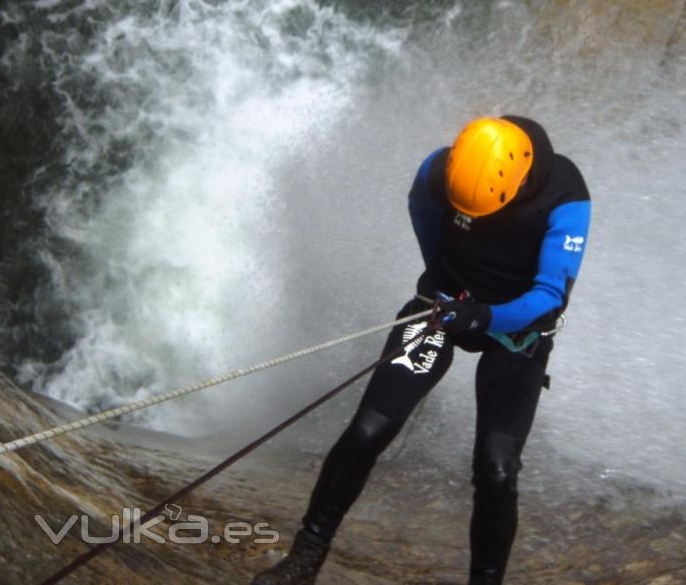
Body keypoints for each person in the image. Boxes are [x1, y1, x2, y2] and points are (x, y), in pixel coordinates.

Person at [252, 115, 592, 585]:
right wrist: (450, 294)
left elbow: (551, 294)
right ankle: (306, 555)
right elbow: (430, 235)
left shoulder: (565, 198)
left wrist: (487, 316)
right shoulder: (438, 173)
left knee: (495, 469)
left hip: (518, 331)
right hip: (443, 307)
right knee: (368, 429)